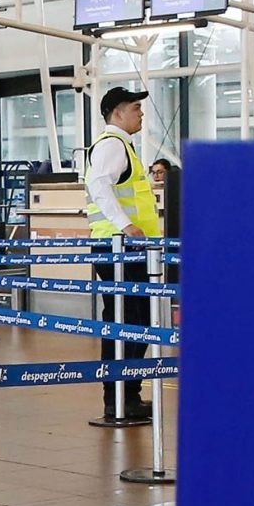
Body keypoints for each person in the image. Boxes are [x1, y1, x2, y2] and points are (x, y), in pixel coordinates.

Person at [87, 83, 163, 424]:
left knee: (133, 319)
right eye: (135, 108)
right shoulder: (112, 146)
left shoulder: (122, 147)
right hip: (119, 247)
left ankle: (127, 394)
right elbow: (99, 185)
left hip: (126, 248)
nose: (141, 114)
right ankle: (118, 397)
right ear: (117, 113)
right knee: (127, 320)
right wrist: (125, 225)